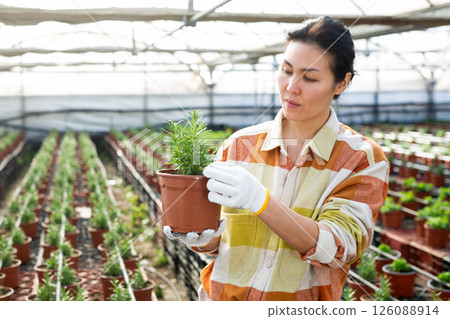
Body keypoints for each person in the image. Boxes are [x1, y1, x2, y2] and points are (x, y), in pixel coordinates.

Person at [164, 16, 389, 301]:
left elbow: (338, 248)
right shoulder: (239, 145)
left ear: (341, 83)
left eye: (309, 77)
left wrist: (262, 202)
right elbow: (223, 243)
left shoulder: (362, 159)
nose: (291, 87)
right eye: (285, 70)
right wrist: (202, 237)